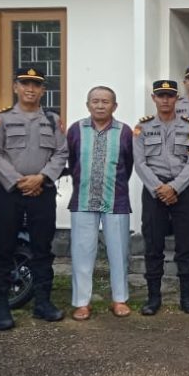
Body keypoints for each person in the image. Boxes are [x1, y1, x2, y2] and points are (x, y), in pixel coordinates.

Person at [0, 67, 69, 330]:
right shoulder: (1, 119)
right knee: (2, 247)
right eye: (25, 84)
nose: (30, 89)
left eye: (36, 85)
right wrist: (18, 181)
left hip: (42, 192)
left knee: (43, 248)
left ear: (43, 90)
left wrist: (42, 178)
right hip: (9, 192)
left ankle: (43, 302)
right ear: (16, 87)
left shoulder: (52, 120)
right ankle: (1, 304)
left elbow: (61, 152)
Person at [133, 80, 189, 315]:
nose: (165, 100)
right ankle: (153, 298)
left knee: (186, 246)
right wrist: (160, 188)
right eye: (161, 95)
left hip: (182, 192)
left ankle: (187, 297)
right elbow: (140, 163)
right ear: (154, 98)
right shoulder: (141, 128)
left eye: (170, 95)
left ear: (176, 98)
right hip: (154, 193)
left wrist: (174, 187)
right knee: (153, 246)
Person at [66, 86, 134, 321]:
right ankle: (82, 303)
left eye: (106, 102)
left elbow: (129, 164)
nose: (100, 105)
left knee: (119, 252)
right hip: (83, 199)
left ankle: (119, 299)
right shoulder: (76, 129)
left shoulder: (125, 132)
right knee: (82, 252)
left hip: (116, 199)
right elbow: (72, 160)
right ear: (87, 105)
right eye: (95, 101)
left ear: (114, 106)